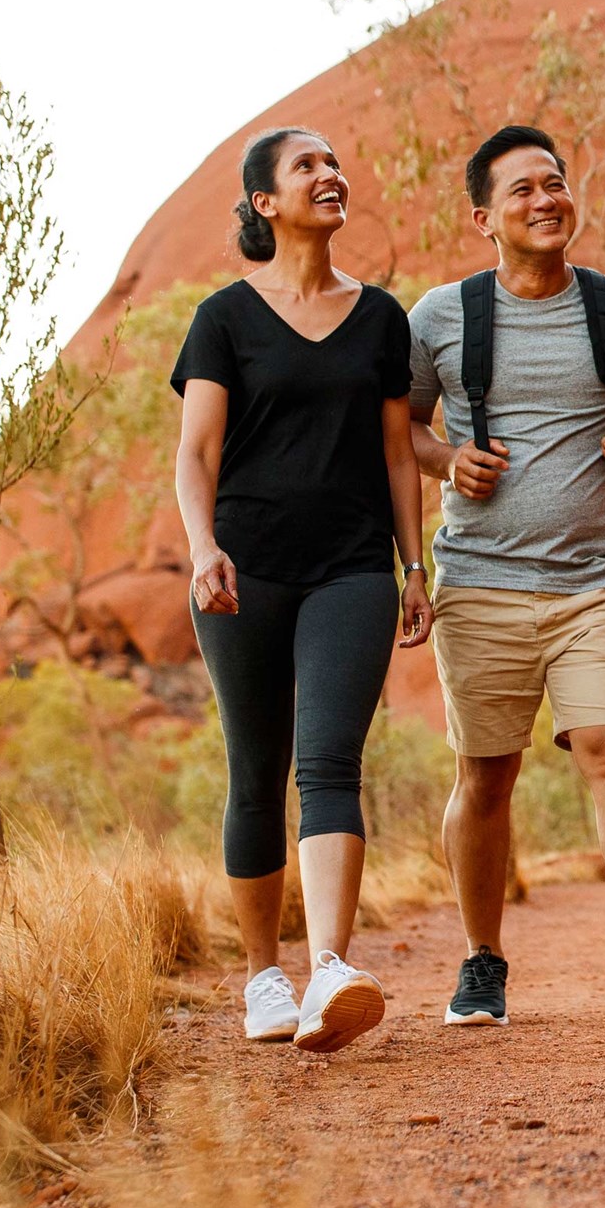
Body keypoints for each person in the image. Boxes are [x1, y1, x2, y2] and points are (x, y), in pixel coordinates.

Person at [407, 124, 605, 1030]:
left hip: (593, 583)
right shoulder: (442, 316)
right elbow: (408, 429)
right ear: (482, 219)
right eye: (522, 192)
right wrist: (447, 462)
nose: (547, 200)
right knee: (486, 777)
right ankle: (482, 961)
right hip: (481, 583)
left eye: (556, 183)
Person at [172, 126, 433, 1054]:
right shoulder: (224, 318)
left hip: (352, 566)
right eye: (306, 166)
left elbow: (399, 452)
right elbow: (197, 452)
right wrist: (203, 548)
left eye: (334, 162)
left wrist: (412, 564)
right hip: (244, 567)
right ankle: (262, 978)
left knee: (328, 761)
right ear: (264, 203)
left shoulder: (380, 318)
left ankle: (329, 967)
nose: (331, 174)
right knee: (257, 770)